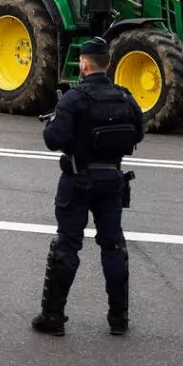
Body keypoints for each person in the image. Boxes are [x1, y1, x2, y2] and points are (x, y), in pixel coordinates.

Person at [31, 36, 144, 337]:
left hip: (77, 181)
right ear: (108, 63)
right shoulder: (124, 96)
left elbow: (52, 140)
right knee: (113, 245)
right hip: (112, 181)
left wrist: (57, 120)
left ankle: (53, 317)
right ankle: (118, 318)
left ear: (83, 63)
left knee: (66, 245)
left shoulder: (74, 98)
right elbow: (139, 133)